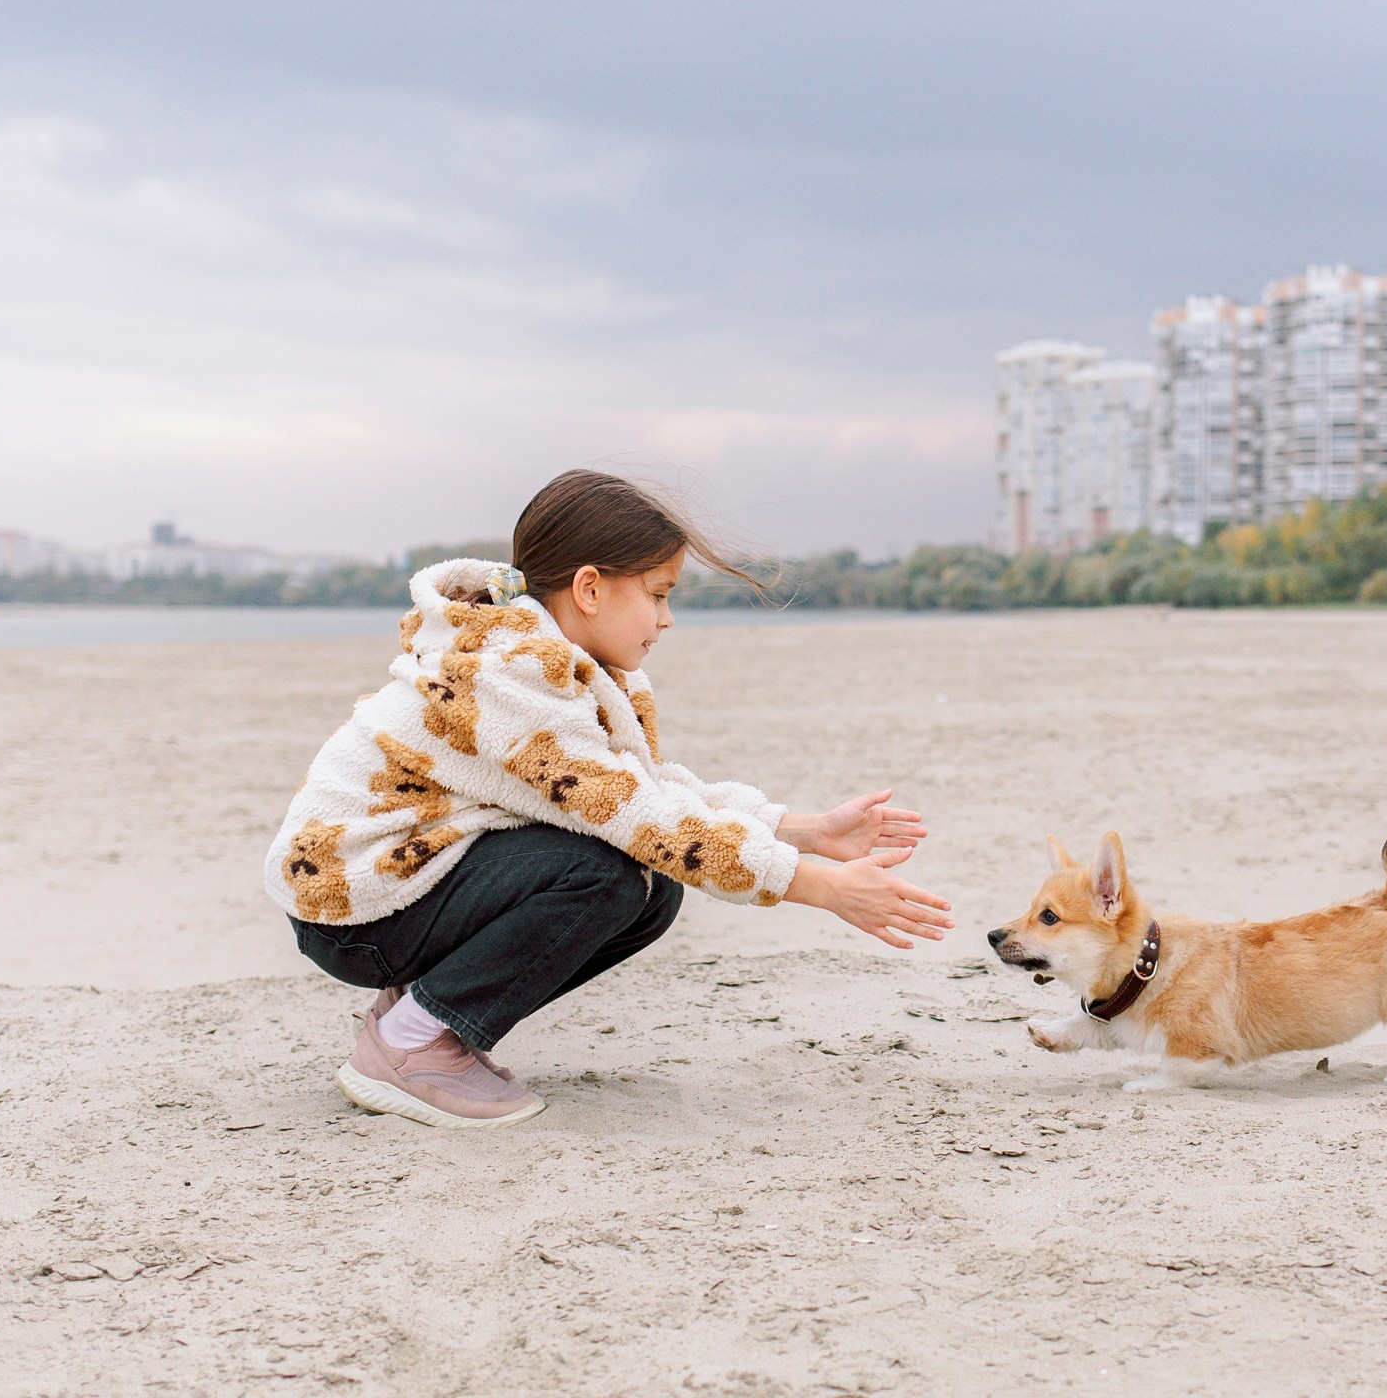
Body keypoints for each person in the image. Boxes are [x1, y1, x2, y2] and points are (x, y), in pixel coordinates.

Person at [264, 469, 954, 1128]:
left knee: (651, 890)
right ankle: (411, 1044)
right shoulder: (507, 680)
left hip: (407, 884)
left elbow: (642, 791)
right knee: (610, 872)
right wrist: (822, 887)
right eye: (658, 593)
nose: (668, 617)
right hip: (354, 910)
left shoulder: (557, 666)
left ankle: (418, 1016)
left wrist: (803, 830)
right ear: (590, 588)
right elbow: (644, 820)